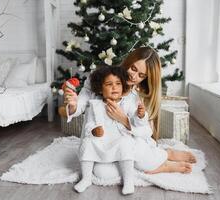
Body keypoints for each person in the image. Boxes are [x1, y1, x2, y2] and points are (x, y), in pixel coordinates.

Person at [64, 47, 196, 177]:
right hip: (101, 142)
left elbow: (146, 132)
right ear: (128, 61)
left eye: (141, 75)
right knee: (101, 173)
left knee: (139, 158)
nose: (134, 76)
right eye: (133, 68)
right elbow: (80, 103)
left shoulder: (137, 96)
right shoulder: (100, 77)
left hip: (127, 142)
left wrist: (124, 119)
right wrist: (73, 105)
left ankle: (165, 159)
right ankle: (151, 161)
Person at [75, 66, 141, 195]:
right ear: (100, 88)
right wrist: (94, 131)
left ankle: (128, 180)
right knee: (87, 143)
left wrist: (141, 114)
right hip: (101, 140)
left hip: (118, 139)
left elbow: (134, 122)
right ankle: (86, 178)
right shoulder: (95, 103)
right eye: (109, 84)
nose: (114, 87)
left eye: (118, 84)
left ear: (123, 86)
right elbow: (89, 124)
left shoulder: (126, 103)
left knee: (126, 143)